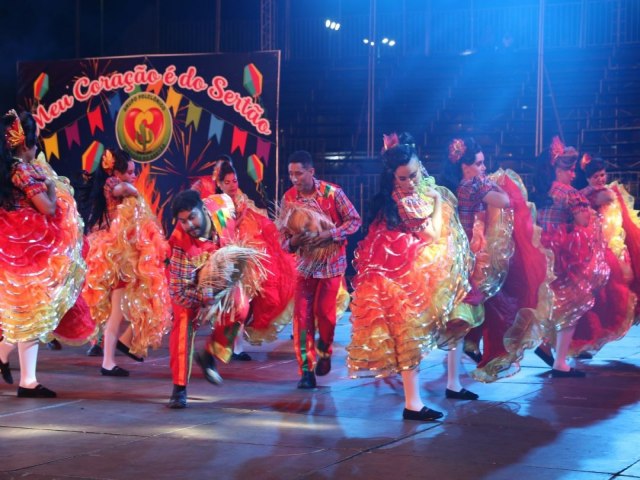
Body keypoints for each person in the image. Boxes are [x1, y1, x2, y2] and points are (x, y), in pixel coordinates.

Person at [347, 132, 470, 421]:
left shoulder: (409, 191)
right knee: (408, 334)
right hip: (402, 270)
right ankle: (413, 402)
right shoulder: (405, 202)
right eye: (403, 178)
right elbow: (432, 234)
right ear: (393, 178)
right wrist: (438, 202)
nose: (411, 182)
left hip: (398, 266)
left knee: (409, 334)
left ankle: (416, 400)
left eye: (413, 175)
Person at [442, 137, 553, 385]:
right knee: (484, 303)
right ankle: (462, 367)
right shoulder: (473, 186)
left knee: (468, 309)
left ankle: (462, 361)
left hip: (454, 250)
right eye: (479, 164)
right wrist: (497, 185)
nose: (483, 168)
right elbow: (506, 202)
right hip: (470, 254)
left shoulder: (455, 185)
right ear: (465, 166)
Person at [0, 110, 86, 398]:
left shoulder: (8, 168)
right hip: (28, 250)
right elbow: (47, 208)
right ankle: (28, 381)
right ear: (27, 144)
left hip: (15, 248)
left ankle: (13, 367)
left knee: (23, 314)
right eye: (35, 143)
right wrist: (51, 189)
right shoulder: (22, 170)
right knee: (32, 314)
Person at [82, 148, 170, 377]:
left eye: (134, 171)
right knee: (117, 311)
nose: (134, 175)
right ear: (116, 171)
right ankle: (109, 359)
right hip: (116, 255)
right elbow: (127, 189)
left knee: (122, 308)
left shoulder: (116, 185)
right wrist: (133, 189)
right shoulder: (112, 184)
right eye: (130, 171)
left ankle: (115, 352)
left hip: (120, 253)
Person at [277, 150, 361, 389]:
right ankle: (306, 369)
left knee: (325, 314)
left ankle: (324, 351)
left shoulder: (332, 193)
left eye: (299, 173)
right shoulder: (289, 198)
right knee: (301, 319)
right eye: (291, 174)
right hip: (304, 267)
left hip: (331, 265)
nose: (294, 178)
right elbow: (284, 237)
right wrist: (293, 242)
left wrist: (329, 234)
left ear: (311, 172)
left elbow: (354, 221)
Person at [168, 189, 259, 408]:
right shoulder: (180, 242)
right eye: (182, 221)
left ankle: (210, 354)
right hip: (190, 286)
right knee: (182, 324)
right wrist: (203, 298)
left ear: (203, 208)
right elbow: (179, 291)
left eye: (192, 217)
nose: (188, 225)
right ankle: (179, 388)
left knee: (241, 307)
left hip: (222, 277)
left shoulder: (223, 206)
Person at [533, 136, 610, 377]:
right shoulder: (570, 194)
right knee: (571, 306)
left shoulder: (544, 190)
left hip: (543, 253)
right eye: (570, 169)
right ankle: (560, 363)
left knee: (552, 304)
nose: (573, 174)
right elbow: (583, 221)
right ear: (559, 169)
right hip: (566, 256)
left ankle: (546, 346)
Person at [214, 158, 297, 356]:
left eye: (234, 181)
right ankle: (232, 347)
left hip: (252, 254)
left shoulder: (242, 199)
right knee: (237, 303)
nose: (233, 186)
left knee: (248, 302)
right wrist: (238, 217)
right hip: (231, 256)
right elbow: (223, 230)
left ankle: (234, 346)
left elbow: (259, 219)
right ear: (219, 184)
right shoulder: (217, 204)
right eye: (227, 182)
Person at [568, 156, 638, 356]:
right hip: (595, 249)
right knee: (598, 296)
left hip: (612, 245)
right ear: (588, 178)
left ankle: (586, 340)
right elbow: (605, 199)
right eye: (596, 176)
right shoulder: (593, 194)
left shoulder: (603, 192)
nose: (600, 179)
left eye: (602, 175)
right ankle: (583, 340)